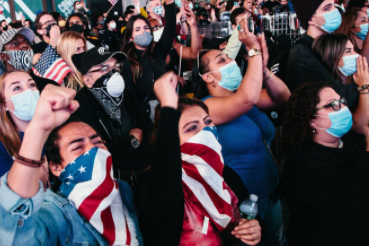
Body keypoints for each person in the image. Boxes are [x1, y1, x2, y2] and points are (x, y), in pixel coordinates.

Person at [0, 83, 143, 245]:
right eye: (78, 147)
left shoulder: (122, 189)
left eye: (98, 142)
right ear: (56, 167)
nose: (93, 150)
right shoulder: (56, 212)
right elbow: (15, 239)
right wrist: (37, 130)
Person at [137, 71, 262, 246]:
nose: (207, 131)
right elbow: (163, 199)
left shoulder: (225, 174)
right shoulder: (150, 181)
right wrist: (168, 107)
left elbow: (248, 217)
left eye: (208, 122)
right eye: (192, 127)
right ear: (170, 139)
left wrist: (254, 229)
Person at [198, 18, 290, 245]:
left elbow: (283, 98)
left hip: (272, 193)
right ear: (208, 77)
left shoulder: (243, 95)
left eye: (229, 57)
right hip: (244, 204)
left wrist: (264, 70)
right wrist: (254, 50)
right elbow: (247, 99)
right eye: (221, 60)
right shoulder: (206, 107)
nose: (230, 61)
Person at [281, 78, 369, 245]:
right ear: (311, 120)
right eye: (332, 105)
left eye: (341, 101)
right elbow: (351, 200)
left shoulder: (348, 140)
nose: (342, 107)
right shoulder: (301, 163)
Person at [74, 47, 152, 185]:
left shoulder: (128, 98)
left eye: (116, 67)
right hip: (108, 184)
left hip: (142, 178)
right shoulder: (80, 107)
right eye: (104, 68)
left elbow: (148, 132)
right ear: (88, 80)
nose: (114, 73)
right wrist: (132, 141)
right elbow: (97, 153)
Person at [287, 0, 361, 108]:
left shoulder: (328, 43)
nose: (335, 11)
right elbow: (339, 96)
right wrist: (363, 85)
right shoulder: (303, 54)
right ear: (311, 18)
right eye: (327, 8)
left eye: (334, 6)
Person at [121, 0, 176, 111]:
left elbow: (170, 27)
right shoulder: (126, 62)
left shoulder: (158, 52)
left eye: (146, 28)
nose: (144, 32)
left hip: (166, 106)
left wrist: (170, 4)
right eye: (137, 29)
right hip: (144, 112)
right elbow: (129, 97)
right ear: (130, 38)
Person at [148, 3, 202, 75]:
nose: (159, 29)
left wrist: (193, 25)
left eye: (160, 26)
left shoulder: (174, 47)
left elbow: (195, 54)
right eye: (155, 28)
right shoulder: (146, 55)